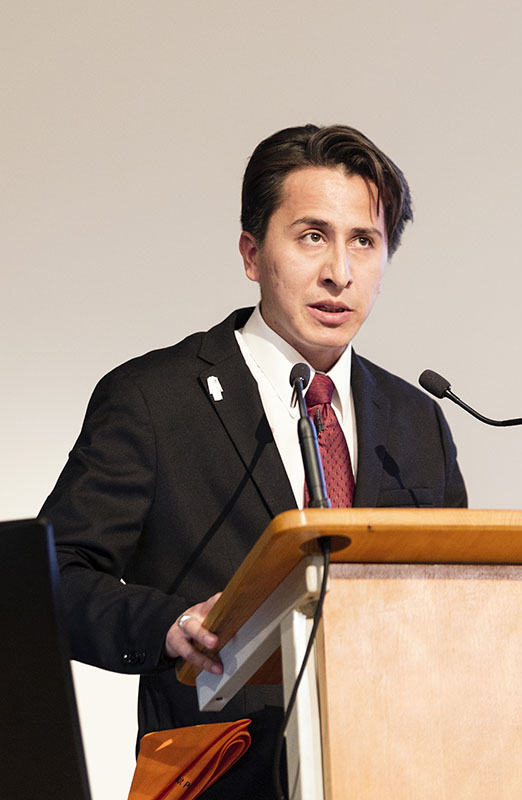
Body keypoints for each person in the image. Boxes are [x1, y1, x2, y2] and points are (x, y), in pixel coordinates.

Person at [41, 123, 467, 797]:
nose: (339, 271)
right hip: (222, 775)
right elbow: (54, 578)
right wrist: (170, 626)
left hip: (392, 771)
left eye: (364, 240)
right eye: (312, 236)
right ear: (251, 253)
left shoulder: (417, 421)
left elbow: (455, 604)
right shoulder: (154, 399)